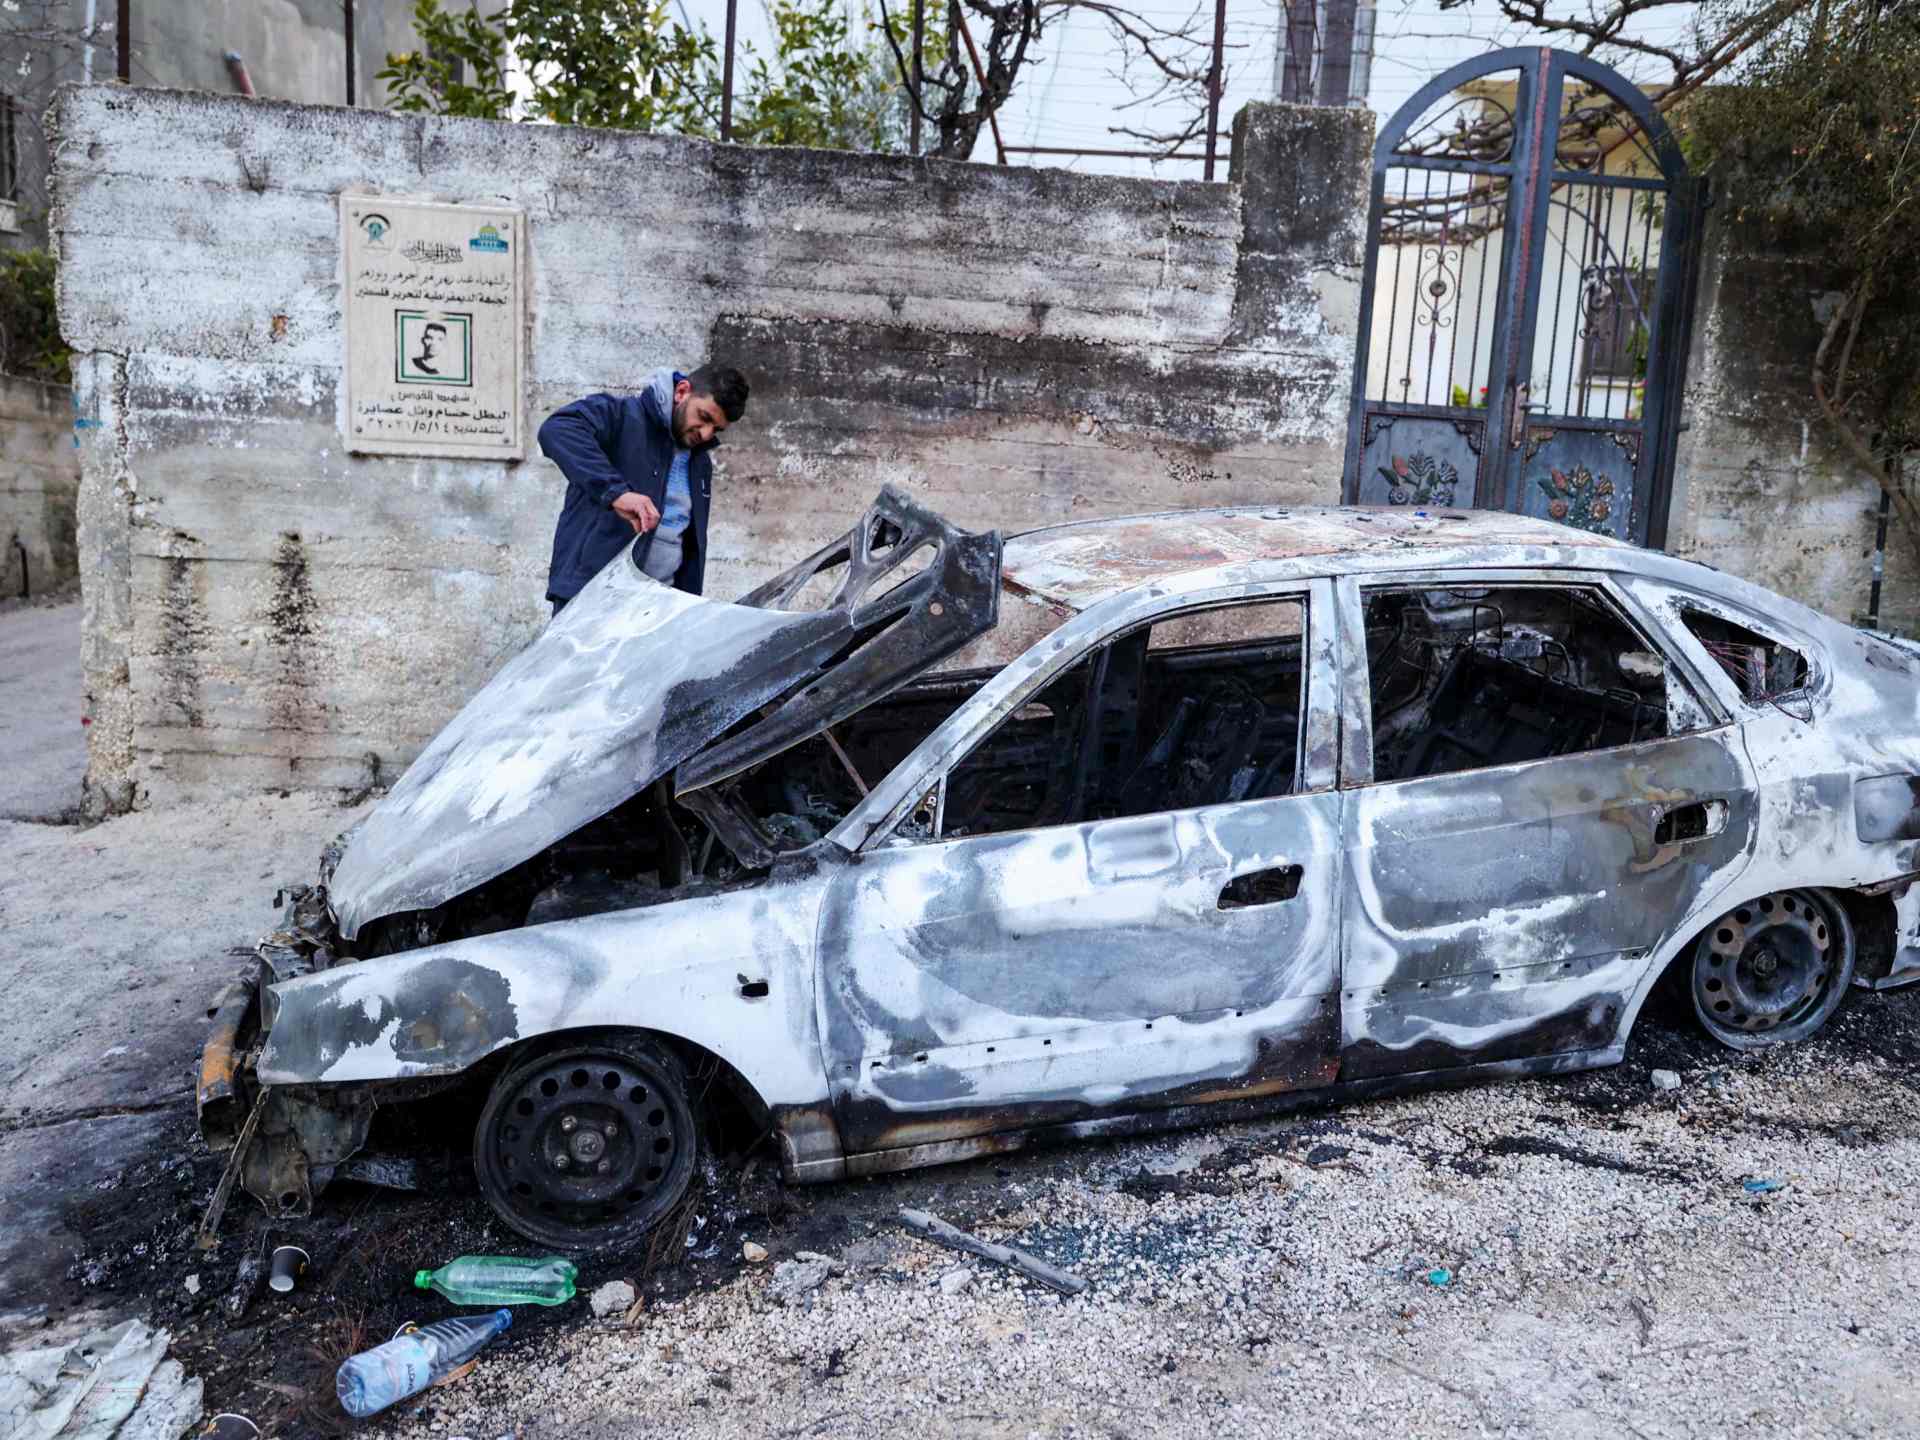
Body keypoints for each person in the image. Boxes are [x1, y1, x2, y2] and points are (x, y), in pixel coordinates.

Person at [537, 364, 751, 615]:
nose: (706, 434)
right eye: (704, 417)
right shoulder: (621, 416)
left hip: (658, 612)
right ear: (681, 392)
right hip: (591, 603)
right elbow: (558, 429)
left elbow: (687, 545)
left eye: (716, 429)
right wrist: (616, 493)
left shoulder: (699, 462)